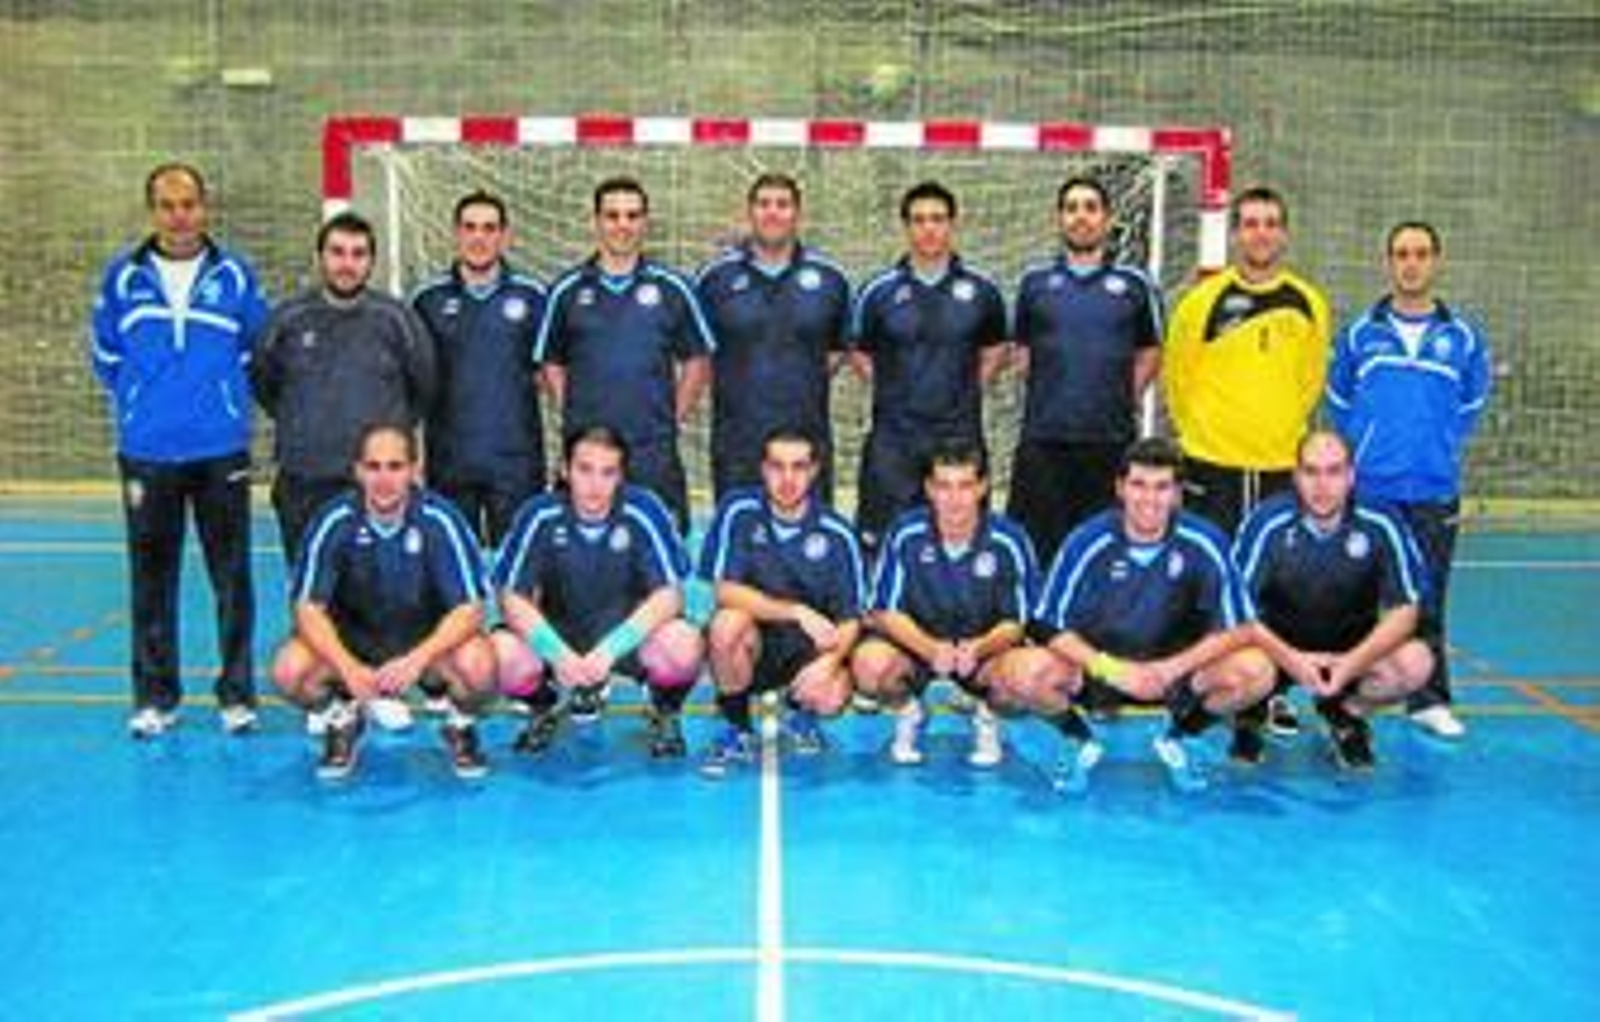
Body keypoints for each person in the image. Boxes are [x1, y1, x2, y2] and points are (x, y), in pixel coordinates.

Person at [90, 162, 268, 738]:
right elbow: (105, 354)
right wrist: (145, 403)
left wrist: (222, 401)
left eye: (188, 203)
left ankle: (237, 695)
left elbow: (256, 349)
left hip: (221, 450)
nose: (179, 215)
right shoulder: (122, 277)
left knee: (232, 576)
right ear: (152, 212)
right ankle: (155, 696)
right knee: (151, 578)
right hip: (147, 451)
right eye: (167, 205)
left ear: (205, 207)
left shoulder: (236, 275)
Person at [988, 437, 1273, 793]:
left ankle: (1181, 737)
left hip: (1176, 674)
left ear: (1178, 494)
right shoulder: (1087, 541)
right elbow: (1046, 624)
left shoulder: (1205, 541)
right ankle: (1079, 739)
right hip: (1100, 673)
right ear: (1120, 488)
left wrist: (1170, 669)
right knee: (1017, 671)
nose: (1149, 499)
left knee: (1257, 670)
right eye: (1138, 485)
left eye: (1162, 487)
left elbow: (1241, 626)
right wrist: (1113, 670)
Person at [1326, 221, 1492, 739]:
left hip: (1432, 492)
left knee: (1428, 598)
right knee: (1359, 603)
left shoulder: (1462, 339)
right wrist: (1372, 449)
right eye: (1401, 253)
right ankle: (1343, 699)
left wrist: (1432, 448)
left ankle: (1428, 699)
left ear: (1436, 261)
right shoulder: (1359, 334)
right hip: (1371, 491)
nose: (1411, 263)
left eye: (1421, 253)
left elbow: (1470, 407)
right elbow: (1339, 404)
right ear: (1388, 263)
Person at [270, 424, 496, 781]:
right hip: (355, 647)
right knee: (289, 670)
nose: (384, 479)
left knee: (480, 665)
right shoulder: (334, 520)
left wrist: (417, 659)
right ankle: (342, 717)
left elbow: (471, 609)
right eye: (373, 467)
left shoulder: (440, 519)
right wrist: (347, 667)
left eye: (395, 466)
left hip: (424, 648)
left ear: (414, 470)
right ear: (358, 471)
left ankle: (460, 724)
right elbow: (306, 608)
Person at [491, 426, 703, 759]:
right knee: (501, 654)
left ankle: (664, 709)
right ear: (565, 470)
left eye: (608, 473)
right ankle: (542, 704)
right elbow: (510, 598)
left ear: (621, 476)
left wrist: (609, 650)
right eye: (584, 469)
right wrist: (556, 652)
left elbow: (670, 596)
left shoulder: (643, 510)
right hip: (560, 633)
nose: (595, 485)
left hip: (625, 636)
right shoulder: (540, 514)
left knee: (684, 645)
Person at [1234, 431, 1434, 769]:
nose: (1322, 485)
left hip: (1349, 648)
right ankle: (1251, 711)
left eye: (1333, 471)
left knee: (1416, 663)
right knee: (1230, 665)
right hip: (1276, 648)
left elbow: (1405, 611)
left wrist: (1350, 664)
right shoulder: (1267, 522)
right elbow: (1234, 611)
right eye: (1311, 472)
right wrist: (1292, 659)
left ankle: (1344, 713)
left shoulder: (1381, 522)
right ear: (1296, 476)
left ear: (1351, 476)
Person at [253, 211, 437, 564]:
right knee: (309, 590)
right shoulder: (287, 320)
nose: (347, 264)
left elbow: (424, 389)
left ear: (371, 262)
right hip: (303, 481)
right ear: (320, 256)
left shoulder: (398, 321)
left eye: (358, 254)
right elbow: (265, 384)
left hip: (376, 485)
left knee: (376, 593)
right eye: (338, 252)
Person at [535, 177, 715, 529]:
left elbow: (698, 360)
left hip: (653, 453)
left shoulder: (673, 288)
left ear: (645, 222)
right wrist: (575, 413)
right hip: (588, 456)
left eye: (632, 216)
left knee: (663, 554)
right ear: (597, 221)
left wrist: (670, 417)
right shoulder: (566, 291)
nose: (623, 225)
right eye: (613, 215)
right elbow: (550, 362)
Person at [851, 441, 1037, 767]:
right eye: (944, 486)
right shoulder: (905, 532)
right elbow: (883, 610)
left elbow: (1018, 620)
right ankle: (911, 712)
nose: (954, 499)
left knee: (1030, 676)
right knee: (869, 665)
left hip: (982, 654)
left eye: (965, 486)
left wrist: (977, 648)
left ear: (982, 487)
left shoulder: (1011, 539)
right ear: (929, 488)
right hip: (918, 650)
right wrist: (930, 649)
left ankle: (987, 718)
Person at [1009, 175, 1164, 564]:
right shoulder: (1034, 284)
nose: (1082, 217)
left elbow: (1151, 352)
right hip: (1044, 440)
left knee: (1103, 547)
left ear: (1108, 219)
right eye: (1072, 208)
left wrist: (1116, 398)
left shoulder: (1135, 284)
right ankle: (1040, 624)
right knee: (1039, 547)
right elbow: (1021, 354)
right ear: (1059, 218)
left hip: (1110, 441)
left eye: (1091, 208)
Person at [1162, 185, 1331, 536]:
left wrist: (1277, 428)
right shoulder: (1201, 302)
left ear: (1284, 234)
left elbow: (1311, 381)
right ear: (1235, 235)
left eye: (1271, 224)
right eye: (1251, 224)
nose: (1261, 233)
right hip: (1210, 466)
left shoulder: (1309, 303)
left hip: (1281, 467)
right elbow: (1177, 377)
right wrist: (1203, 433)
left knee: (1275, 584)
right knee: (1211, 578)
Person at [699, 427, 867, 776]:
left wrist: (830, 662)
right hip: (753, 644)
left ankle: (800, 710)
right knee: (725, 624)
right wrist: (795, 611)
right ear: (763, 469)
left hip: (805, 651)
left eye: (799, 466)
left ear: (814, 471)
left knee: (833, 695)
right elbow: (724, 590)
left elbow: (852, 617)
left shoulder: (837, 533)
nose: (787, 479)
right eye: (777, 466)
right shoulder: (738, 510)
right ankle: (738, 727)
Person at [850, 180, 1008, 550]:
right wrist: (896, 389)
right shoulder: (878, 292)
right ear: (906, 228)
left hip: (959, 437)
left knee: (963, 542)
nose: (929, 228)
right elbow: (857, 351)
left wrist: (962, 390)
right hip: (894, 441)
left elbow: (997, 349)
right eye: (918, 220)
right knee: (884, 543)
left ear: (953, 225)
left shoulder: (983, 291)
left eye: (937, 218)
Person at [695, 172, 852, 502]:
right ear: (749, 212)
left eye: (783, 205)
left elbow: (838, 351)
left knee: (810, 546)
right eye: (763, 204)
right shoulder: (714, 278)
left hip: (807, 442)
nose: (773, 212)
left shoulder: (831, 279)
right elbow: (699, 353)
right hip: (737, 442)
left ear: (798, 213)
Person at [411, 190, 548, 547]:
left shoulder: (534, 298)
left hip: (517, 463)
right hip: (448, 463)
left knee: (518, 575)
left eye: (489, 228)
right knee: (454, 577)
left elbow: (552, 375)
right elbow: (411, 383)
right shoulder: (427, 300)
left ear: (504, 236)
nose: (479, 237)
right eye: (470, 227)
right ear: (456, 233)